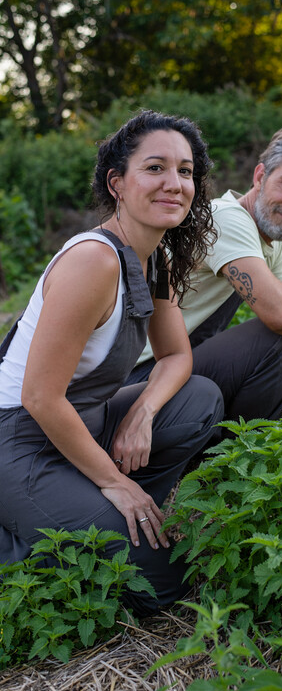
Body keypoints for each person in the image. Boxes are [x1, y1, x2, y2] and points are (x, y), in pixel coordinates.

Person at [0, 110, 224, 617]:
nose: (175, 183)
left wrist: (142, 413)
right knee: (160, 584)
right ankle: (26, 529)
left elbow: (176, 357)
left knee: (199, 399)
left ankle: (100, 506)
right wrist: (114, 480)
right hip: (20, 438)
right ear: (117, 183)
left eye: (185, 172)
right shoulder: (93, 262)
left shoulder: (154, 258)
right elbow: (38, 397)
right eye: (156, 168)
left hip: (84, 423)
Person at [127, 123, 282, 421]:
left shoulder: (272, 244)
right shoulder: (226, 219)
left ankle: (230, 434)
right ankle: (223, 448)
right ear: (260, 176)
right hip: (145, 377)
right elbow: (281, 316)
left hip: (181, 364)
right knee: (279, 342)